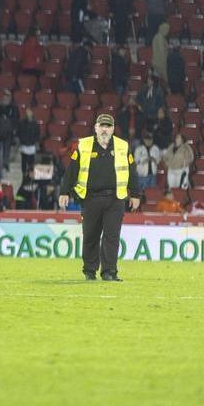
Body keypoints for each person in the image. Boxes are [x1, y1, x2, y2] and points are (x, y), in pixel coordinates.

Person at [58, 113, 141, 281]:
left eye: (108, 126)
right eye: (102, 126)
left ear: (112, 129)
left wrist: (136, 194)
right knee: (90, 236)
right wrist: (64, 192)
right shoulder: (84, 145)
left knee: (112, 237)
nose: (104, 129)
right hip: (90, 198)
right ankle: (89, 271)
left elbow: (132, 172)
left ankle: (109, 272)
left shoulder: (123, 146)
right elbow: (71, 171)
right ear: (95, 128)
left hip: (115, 198)